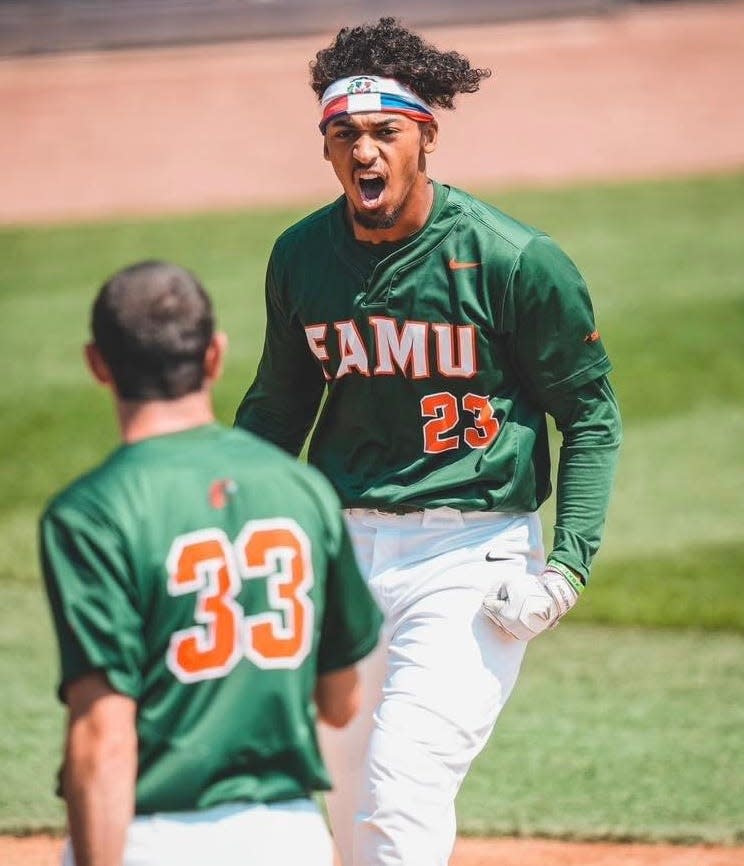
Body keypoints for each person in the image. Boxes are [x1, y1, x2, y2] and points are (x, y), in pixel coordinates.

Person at [235, 17, 622, 866]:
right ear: (325, 149)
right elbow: (276, 408)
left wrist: (566, 566)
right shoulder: (301, 257)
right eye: (344, 136)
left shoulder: (512, 259)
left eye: (384, 132)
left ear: (426, 136)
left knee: (399, 790)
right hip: (339, 552)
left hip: (470, 556)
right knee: (333, 807)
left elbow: (588, 414)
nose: (364, 153)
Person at [39, 260, 383, 866]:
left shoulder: (91, 512)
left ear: (98, 364)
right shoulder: (303, 492)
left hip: (155, 839)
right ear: (215, 356)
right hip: (289, 839)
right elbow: (341, 701)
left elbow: (103, 732)